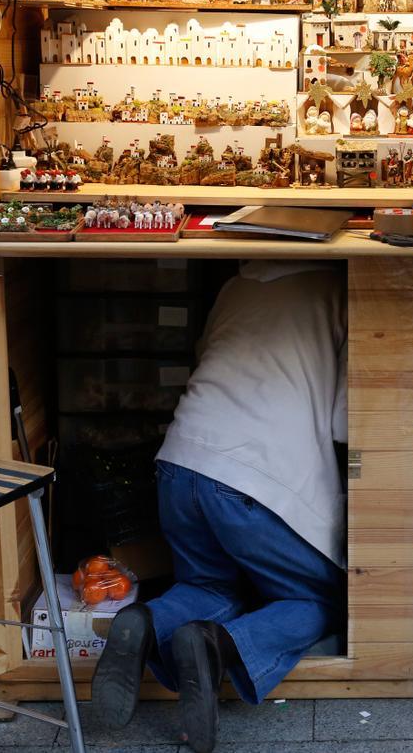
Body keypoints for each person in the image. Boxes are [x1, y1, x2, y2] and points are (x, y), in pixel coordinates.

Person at [93, 262, 348, 753]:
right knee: (319, 599)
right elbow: (344, 421)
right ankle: (219, 645)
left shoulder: (237, 285)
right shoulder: (338, 288)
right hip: (255, 475)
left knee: (208, 584)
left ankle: (147, 622)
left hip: (179, 461)